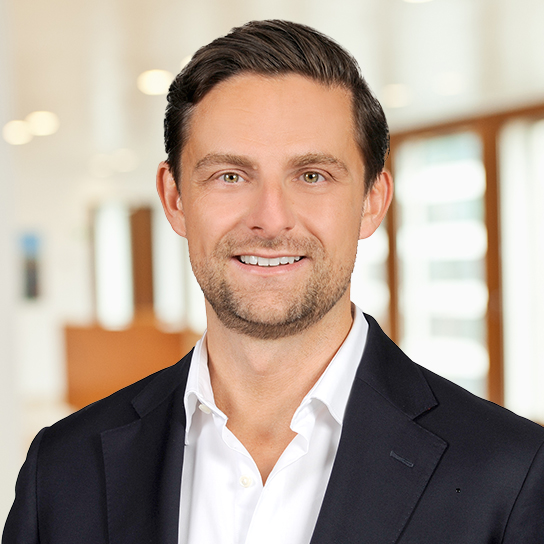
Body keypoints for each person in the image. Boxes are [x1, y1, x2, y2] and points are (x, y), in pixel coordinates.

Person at [3, 19, 544, 544]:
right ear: (175, 199)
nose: (270, 219)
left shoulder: (512, 473)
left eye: (312, 175)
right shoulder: (61, 467)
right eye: (230, 175)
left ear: (372, 202)